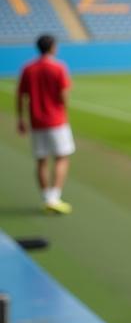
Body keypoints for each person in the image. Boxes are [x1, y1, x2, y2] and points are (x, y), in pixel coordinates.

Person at [16, 34, 74, 214]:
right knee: (62, 157)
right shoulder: (58, 67)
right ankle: (54, 197)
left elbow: (21, 95)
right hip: (56, 120)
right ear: (53, 47)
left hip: (36, 121)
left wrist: (21, 118)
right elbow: (63, 96)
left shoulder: (28, 68)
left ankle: (46, 197)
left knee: (41, 160)